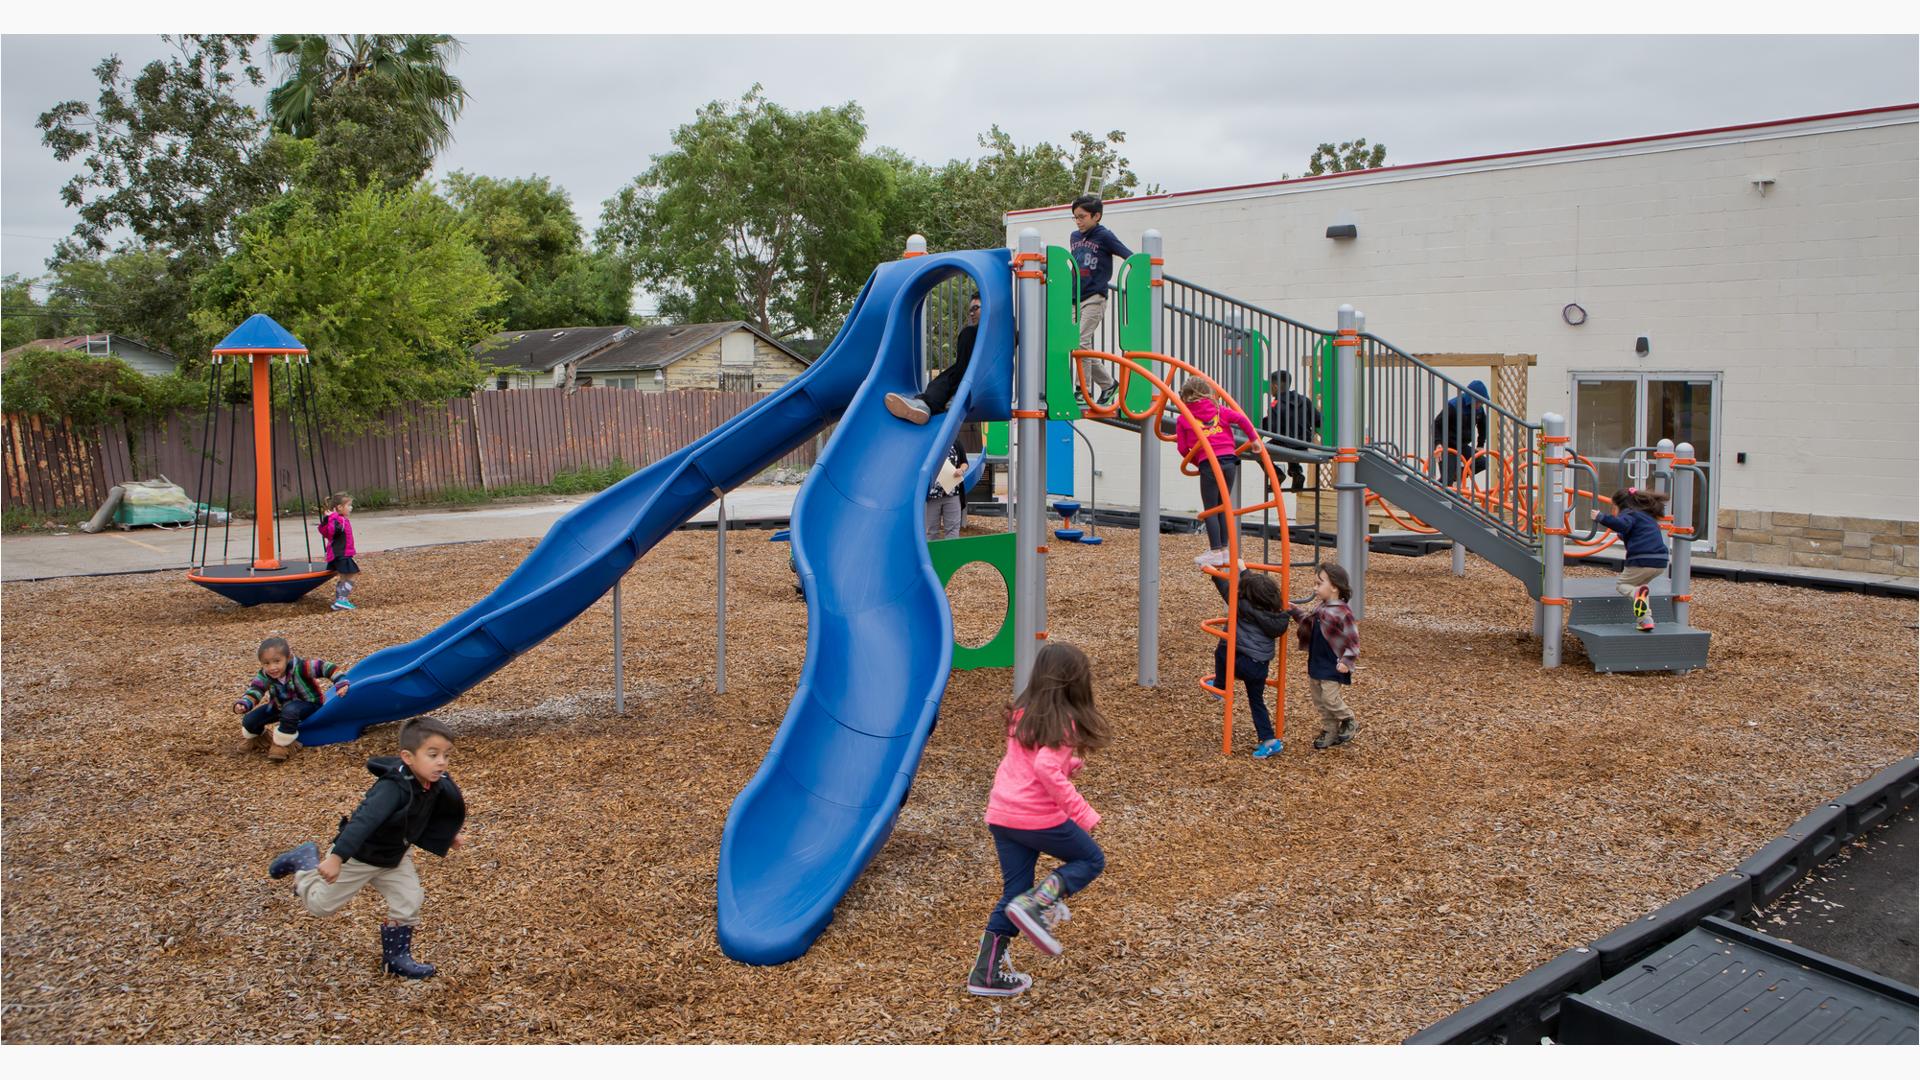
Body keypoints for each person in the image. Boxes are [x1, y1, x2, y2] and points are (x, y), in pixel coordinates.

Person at [266, 716, 467, 980]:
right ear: (407, 757)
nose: (441, 762)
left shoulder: (432, 783)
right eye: (433, 754)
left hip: (395, 856)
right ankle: (304, 864)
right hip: (360, 856)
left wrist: (447, 837)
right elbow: (362, 822)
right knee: (320, 906)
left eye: (445, 755)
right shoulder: (391, 790)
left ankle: (396, 958)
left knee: (409, 900)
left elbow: (424, 815)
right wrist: (337, 858)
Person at [966, 641, 1110, 998]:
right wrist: (1082, 812)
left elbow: (1031, 761)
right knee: (1090, 859)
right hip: (1035, 816)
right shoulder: (1065, 721)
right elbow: (1046, 767)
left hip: (1002, 814)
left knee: (1013, 894)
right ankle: (1038, 902)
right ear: (1075, 683)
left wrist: (1070, 763)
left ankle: (986, 973)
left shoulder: (1024, 713)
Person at [1203, 571, 1292, 759]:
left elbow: (1227, 591)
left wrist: (1215, 574)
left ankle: (1220, 685)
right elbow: (1257, 586)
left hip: (1245, 664)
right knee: (1256, 701)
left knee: (1222, 650)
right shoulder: (1275, 612)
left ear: (1248, 595)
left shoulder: (1243, 606)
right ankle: (1269, 741)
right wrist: (1244, 571)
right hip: (1260, 667)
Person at [1174, 378, 1259, 568]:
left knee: (1211, 508)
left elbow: (1182, 448)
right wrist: (1254, 440)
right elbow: (1242, 419)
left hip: (1209, 463)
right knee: (1223, 505)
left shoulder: (1183, 418)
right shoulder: (1220, 410)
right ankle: (1225, 551)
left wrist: (1198, 462)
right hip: (1229, 461)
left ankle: (1215, 551)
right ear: (1208, 394)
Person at [233, 636, 350, 763]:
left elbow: (326, 667)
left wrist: (341, 682)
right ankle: (259, 738)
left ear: (288, 658)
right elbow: (256, 689)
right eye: (266, 663)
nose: (272, 667)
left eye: (277, 661)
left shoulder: (301, 667)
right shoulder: (265, 675)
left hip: (309, 704)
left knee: (290, 710)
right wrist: (245, 703)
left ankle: (283, 743)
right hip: (280, 706)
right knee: (250, 720)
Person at [1069, 194, 1133, 405]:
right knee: (1076, 345)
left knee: (1081, 342)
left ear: (1096, 216)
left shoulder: (1105, 236)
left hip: (1095, 296)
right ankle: (1109, 385)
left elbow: (1129, 256)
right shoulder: (1075, 237)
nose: (1078, 221)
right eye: (1075, 217)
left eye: (1082, 217)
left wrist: (1143, 273)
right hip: (1075, 298)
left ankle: (1082, 390)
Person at [1288, 562, 1360, 751]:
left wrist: (1347, 660)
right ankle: (1330, 731)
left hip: (1333, 663)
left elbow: (1353, 640)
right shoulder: (1321, 608)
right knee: (1320, 700)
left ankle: (1348, 718)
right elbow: (1308, 623)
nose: (1315, 588)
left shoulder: (1343, 613)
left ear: (1334, 587)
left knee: (1330, 698)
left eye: (1319, 584)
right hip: (1316, 662)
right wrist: (1294, 610)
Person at [887, 295, 982, 424]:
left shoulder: (999, 328)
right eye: (970, 310)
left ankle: (929, 403)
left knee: (950, 375)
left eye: (975, 308)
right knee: (945, 379)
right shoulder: (979, 335)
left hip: (978, 381)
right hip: (971, 379)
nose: (971, 313)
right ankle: (925, 405)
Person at [1596, 487, 1672, 632]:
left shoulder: (1629, 513)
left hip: (1641, 560)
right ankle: (1646, 620)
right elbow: (1640, 532)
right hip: (1660, 561)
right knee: (1641, 588)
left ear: (1620, 505)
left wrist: (1601, 517)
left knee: (1623, 585)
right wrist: (1623, 536)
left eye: (1614, 507)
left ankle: (1636, 594)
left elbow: (1622, 524)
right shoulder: (1646, 516)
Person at [1263, 368, 1322, 492]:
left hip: (1286, 444)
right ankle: (1296, 473)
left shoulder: (1276, 405)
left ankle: (1277, 474)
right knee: (1291, 442)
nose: (1269, 390)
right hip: (1304, 443)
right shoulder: (1304, 400)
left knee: (1259, 452)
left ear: (1275, 386)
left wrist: (1264, 422)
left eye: (1270, 386)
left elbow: (1273, 429)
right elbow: (1318, 420)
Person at [1430, 380, 1490, 485]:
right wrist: (1438, 444)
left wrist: (1480, 444)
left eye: (1482, 402)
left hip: (1462, 446)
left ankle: (1457, 475)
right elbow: (1436, 424)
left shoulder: (1479, 409)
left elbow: (1483, 426)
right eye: (1479, 402)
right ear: (1471, 399)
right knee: (1447, 479)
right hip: (1447, 446)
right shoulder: (1453, 406)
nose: (1480, 405)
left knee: (1482, 462)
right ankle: (1442, 484)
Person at [318, 492, 360, 611]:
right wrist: (332, 517)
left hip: (338, 554)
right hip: (342, 554)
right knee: (352, 574)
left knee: (343, 577)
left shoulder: (337, 520)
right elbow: (330, 531)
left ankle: (339, 601)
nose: (351, 508)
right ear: (340, 508)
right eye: (349, 505)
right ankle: (342, 600)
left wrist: (329, 518)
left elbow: (326, 531)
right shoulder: (339, 520)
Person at [926, 440, 969, 540]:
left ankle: (952, 554)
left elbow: (964, 462)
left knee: (953, 528)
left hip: (952, 492)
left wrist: (961, 470)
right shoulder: (930, 442)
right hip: (932, 495)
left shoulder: (956, 442)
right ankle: (932, 554)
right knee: (931, 530)